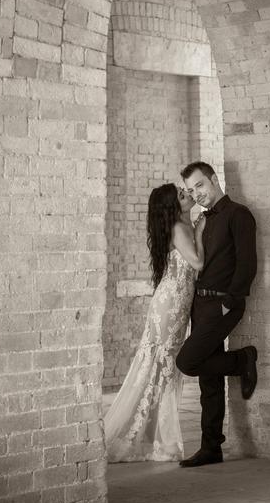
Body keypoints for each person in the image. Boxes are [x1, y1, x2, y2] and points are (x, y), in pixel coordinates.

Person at [104, 182, 204, 462]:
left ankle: (154, 436)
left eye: (185, 191)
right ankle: (159, 439)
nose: (188, 195)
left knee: (163, 371)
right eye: (182, 195)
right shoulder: (180, 228)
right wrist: (201, 231)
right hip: (170, 306)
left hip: (174, 305)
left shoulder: (182, 226)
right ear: (172, 206)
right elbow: (198, 263)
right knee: (161, 369)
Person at [176, 161, 258, 468]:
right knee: (208, 380)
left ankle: (242, 359)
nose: (196, 193)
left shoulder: (239, 214)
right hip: (201, 304)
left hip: (223, 304)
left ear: (214, 179)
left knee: (187, 362)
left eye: (200, 185)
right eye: (191, 189)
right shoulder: (202, 220)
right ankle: (211, 447)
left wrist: (230, 301)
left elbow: (247, 263)